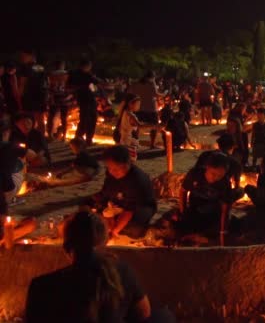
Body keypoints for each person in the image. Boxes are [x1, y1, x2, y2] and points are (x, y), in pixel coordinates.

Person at [25, 211, 174, 323]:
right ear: (105, 244)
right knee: (163, 316)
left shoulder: (41, 286)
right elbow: (143, 313)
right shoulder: (120, 272)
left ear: (66, 247)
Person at [85, 146, 157, 239]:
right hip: (117, 203)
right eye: (109, 168)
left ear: (127, 164)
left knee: (133, 227)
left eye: (116, 169)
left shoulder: (138, 180)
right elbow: (106, 191)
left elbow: (129, 210)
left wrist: (115, 230)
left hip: (139, 208)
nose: (111, 172)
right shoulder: (111, 173)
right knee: (88, 205)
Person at [177, 151, 232, 246]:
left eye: (220, 175)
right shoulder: (195, 174)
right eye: (213, 174)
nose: (216, 178)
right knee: (177, 223)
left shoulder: (225, 183)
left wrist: (223, 232)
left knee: (227, 227)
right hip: (195, 209)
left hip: (213, 213)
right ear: (207, 167)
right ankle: (194, 236)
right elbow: (183, 191)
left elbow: (225, 208)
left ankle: (200, 237)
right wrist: (183, 212)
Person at [32, 138, 99, 188]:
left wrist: (61, 173)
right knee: (67, 176)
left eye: (73, 147)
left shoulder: (82, 155)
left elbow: (72, 167)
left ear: (79, 147)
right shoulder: (83, 154)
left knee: (67, 179)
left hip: (88, 173)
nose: (72, 149)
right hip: (89, 171)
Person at [127, 71, 163, 149]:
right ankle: (152, 144)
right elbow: (156, 94)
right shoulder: (151, 84)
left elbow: (130, 91)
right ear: (152, 77)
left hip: (139, 107)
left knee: (137, 126)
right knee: (154, 126)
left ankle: (135, 142)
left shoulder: (137, 83)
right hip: (151, 108)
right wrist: (164, 94)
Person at [69, 59, 99, 145]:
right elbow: (96, 83)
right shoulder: (87, 75)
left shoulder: (74, 74)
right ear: (87, 66)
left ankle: (78, 138)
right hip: (88, 99)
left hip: (81, 99)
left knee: (84, 119)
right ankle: (87, 139)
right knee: (91, 119)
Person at [18, 50, 48, 135]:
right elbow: (45, 82)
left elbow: (22, 83)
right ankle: (41, 140)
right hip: (40, 97)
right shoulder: (40, 67)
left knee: (29, 120)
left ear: (31, 56)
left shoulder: (25, 68)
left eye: (24, 56)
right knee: (40, 119)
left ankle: (31, 139)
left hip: (29, 97)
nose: (22, 58)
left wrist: (19, 96)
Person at [47, 60, 71, 141]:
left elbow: (48, 88)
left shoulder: (50, 75)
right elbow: (70, 87)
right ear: (62, 66)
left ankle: (50, 135)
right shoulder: (67, 75)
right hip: (64, 99)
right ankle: (64, 136)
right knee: (64, 118)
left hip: (54, 98)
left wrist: (50, 97)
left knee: (51, 117)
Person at [116, 94, 143, 162]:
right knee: (130, 161)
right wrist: (154, 126)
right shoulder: (131, 115)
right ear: (130, 104)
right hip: (129, 141)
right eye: (137, 104)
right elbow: (140, 126)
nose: (139, 106)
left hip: (124, 140)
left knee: (125, 161)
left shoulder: (125, 112)